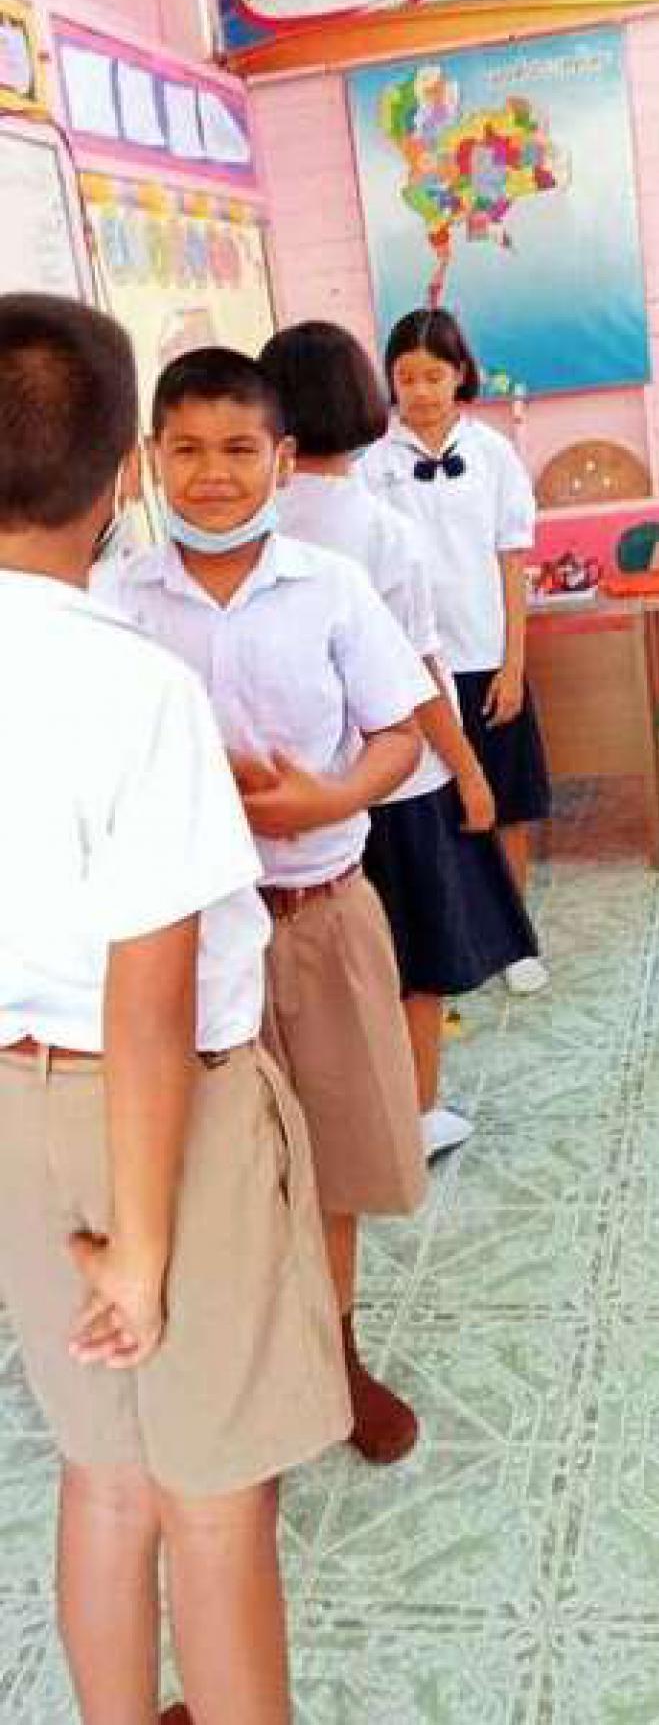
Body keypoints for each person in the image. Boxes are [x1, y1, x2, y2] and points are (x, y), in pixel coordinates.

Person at [0, 295, 350, 1725]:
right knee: (213, 1503)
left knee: (102, 1474)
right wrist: (141, 1250)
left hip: (17, 1105)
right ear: (126, 474)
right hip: (166, 1124)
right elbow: (150, 1000)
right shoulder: (133, 685)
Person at [97, 347, 432, 1466]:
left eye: (239, 449)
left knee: (335, 1157)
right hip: (181, 943)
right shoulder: (116, 602)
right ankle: (240, 1374)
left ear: (283, 460)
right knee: (210, 1171)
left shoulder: (329, 585)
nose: (213, 474)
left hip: (319, 911)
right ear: (149, 459)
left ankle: (339, 1355)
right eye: (187, 449)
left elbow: (398, 733)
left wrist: (328, 796)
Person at [259, 320, 540, 1162]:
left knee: (328, 968)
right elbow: (417, 674)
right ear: (364, 399)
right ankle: (413, 1115)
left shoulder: (257, 524)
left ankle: (321, 1124)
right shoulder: (382, 530)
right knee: (418, 957)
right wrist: (469, 772)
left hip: (295, 787)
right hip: (401, 782)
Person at [362, 307, 552, 996]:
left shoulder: (494, 453)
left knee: (507, 801)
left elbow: (511, 561)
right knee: (433, 810)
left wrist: (513, 664)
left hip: (486, 657)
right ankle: (449, 942)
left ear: (460, 375)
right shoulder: (370, 466)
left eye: (433, 376)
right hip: (412, 672)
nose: (419, 391)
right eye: (406, 377)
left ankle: (515, 940)